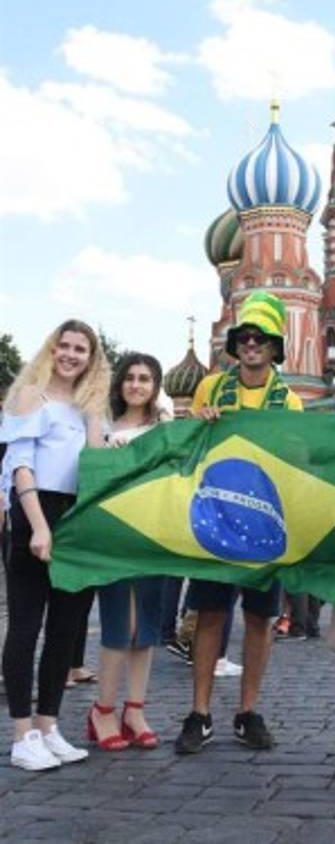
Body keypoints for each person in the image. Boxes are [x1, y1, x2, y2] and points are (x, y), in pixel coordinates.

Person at [174, 291, 301, 755]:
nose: (251, 344)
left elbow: (296, 462)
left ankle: (248, 712)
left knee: (259, 619)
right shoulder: (211, 388)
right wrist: (199, 420)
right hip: (218, 518)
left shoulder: (289, 401)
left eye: (260, 338)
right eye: (244, 337)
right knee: (210, 615)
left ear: (274, 347)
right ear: (235, 344)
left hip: (264, 522)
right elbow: (188, 443)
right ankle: (200, 713)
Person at [0, 320, 109, 771]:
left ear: (91, 358)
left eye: (80, 349)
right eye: (64, 346)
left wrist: (95, 413)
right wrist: (39, 527)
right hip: (35, 509)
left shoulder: (89, 407)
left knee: (67, 627)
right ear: (51, 348)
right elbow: (20, 465)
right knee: (26, 625)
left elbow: (98, 463)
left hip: (77, 514)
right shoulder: (31, 395)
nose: (70, 355)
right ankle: (22, 734)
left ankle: (48, 726)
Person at [87, 353, 168, 751]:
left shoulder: (164, 430)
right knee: (120, 624)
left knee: (145, 628)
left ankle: (134, 710)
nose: (136, 385)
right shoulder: (102, 426)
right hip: (114, 536)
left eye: (145, 379)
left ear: (156, 387)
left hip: (153, 535)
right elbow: (90, 470)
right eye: (130, 377)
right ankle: (102, 710)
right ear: (120, 383)